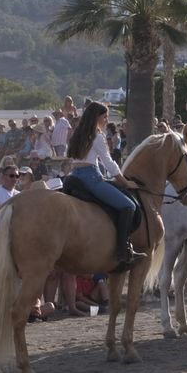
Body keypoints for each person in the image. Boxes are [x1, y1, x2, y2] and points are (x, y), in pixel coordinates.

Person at [66, 101, 146, 271]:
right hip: (92, 178)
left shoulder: (78, 134)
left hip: (74, 176)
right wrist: (125, 182)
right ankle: (123, 250)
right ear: (97, 117)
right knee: (128, 205)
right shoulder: (97, 136)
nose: (106, 120)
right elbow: (109, 163)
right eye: (105, 116)